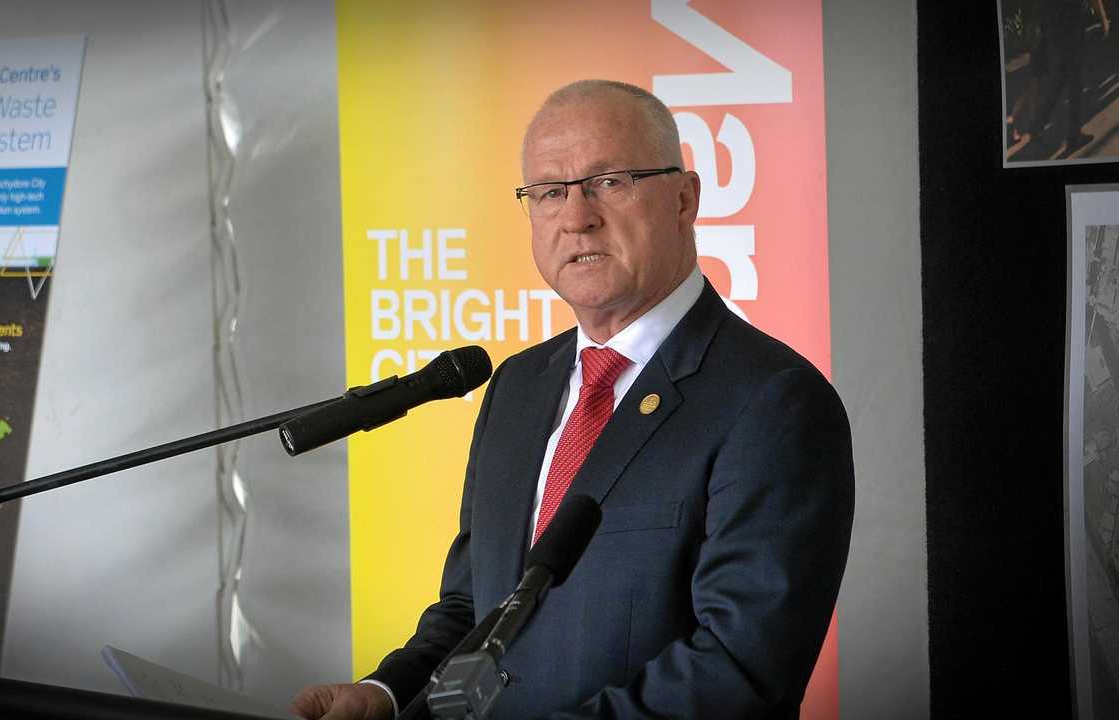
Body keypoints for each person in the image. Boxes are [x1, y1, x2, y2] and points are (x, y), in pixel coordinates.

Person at [291, 79, 854, 719]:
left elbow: (738, 669)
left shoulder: (773, 401)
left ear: (685, 198)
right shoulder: (518, 386)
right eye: (550, 191)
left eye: (610, 181)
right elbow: (476, 606)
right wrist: (388, 694)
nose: (576, 215)